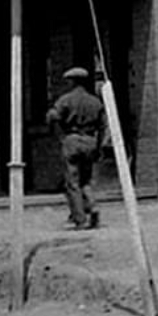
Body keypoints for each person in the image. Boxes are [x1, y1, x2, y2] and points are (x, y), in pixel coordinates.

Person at [46, 66, 105, 230]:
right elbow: (103, 126)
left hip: (72, 140)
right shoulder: (95, 101)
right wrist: (99, 146)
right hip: (90, 141)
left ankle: (80, 219)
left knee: (73, 183)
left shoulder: (65, 100)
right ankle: (93, 206)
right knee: (86, 180)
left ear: (71, 82)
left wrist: (60, 136)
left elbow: (52, 116)